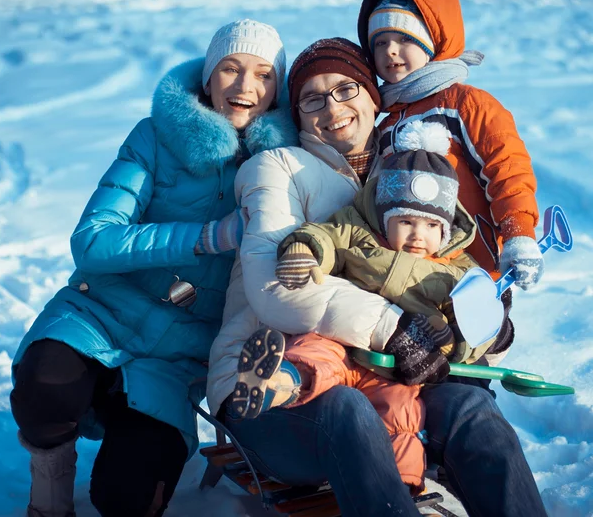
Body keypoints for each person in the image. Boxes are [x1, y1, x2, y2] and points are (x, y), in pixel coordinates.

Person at [207, 38, 548, 516]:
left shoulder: (411, 179)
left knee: (473, 410)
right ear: (297, 114)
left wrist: (490, 323)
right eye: (312, 98)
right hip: (273, 392)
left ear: (373, 97)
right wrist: (395, 328)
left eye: (347, 89)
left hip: (392, 385)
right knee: (348, 409)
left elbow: (447, 276)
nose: (332, 107)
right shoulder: (276, 169)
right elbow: (278, 288)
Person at [9, 19, 298, 517]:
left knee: (129, 497)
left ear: (278, 89)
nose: (245, 87)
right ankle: (51, 481)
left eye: (263, 74)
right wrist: (207, 237)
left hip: (180, 355)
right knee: (47, 388)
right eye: (229, 68)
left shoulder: (287, 164)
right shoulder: (156, 136)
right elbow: (93, 241)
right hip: (100, 311)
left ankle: (119, 419)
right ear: (208, 77)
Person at [357, 0, 544, 290]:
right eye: (380, 42)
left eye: (404, 39)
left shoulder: (465, 104)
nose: (390, 51)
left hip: (474, 270)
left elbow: (507, 168)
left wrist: (518, 232)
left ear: (433, 42)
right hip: (409, 274)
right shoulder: (385, 124)